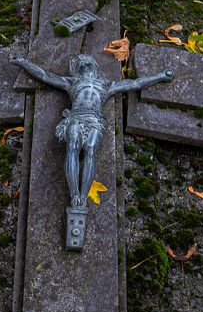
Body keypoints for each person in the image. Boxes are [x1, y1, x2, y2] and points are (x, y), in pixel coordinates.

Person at [9, 53, 174, 210]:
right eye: (80, 59)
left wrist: (160, 76)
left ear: (94, 65)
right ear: (76, 67)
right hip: (75, 117)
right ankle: (74, 195)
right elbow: (44, 75)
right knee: (72, 146)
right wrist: (22, 62)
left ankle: (83, 195)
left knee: (91, 149)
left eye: (86, 58)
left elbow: (135, 84)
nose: (83, 60)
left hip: (95, 120)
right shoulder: (71, 82)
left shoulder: (107, 85)